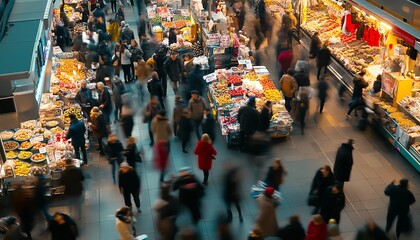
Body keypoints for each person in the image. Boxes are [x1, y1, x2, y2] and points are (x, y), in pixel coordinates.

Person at [151, 110, 172, 181]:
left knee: (160, 153)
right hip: (166, 140)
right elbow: (170, 131)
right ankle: (165, 164)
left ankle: (161, 166)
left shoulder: (154, 121)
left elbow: (152, 129)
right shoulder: (167, 122)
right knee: (166, 152)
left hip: (158, 140)